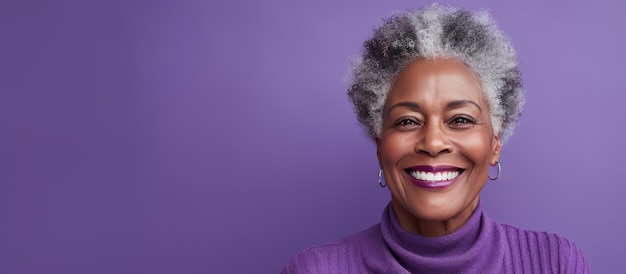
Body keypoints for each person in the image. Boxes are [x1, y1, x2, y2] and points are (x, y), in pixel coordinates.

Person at [282, 4, 590, 273]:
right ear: (379, 145)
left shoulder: (555, 264)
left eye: (460, 119)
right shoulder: (315, 270)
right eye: (407, 121)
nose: (432, 142)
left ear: (495, 142)